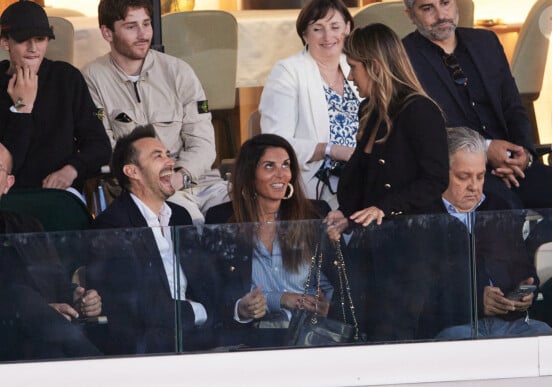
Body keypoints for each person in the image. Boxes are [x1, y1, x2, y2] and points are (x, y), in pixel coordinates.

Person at [402, 0, 552, 209]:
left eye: (445, 3)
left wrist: (524, 155)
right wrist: (485, 149)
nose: (441, 15)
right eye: (427, 8)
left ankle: (534, 242)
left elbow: (513, 107)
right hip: (460, 173)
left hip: (513, 164)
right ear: (410, 15)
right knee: (507, 210)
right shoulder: (403, 56)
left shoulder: (485, 41)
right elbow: (422, 129)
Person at [82, 0, 229, 222]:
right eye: (131, 27)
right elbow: (106, 147)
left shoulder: (178, 71)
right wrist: (158, 179)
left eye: (147, 24)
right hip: (143, 189)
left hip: (198, 181)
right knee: (190, 221)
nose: (143, 34)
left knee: (246, 211)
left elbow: (204, 144)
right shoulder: (92, 78)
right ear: (107, 33)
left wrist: (182, 176)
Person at [88, 125, 218, 355]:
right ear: (132, 171)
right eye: (158, 156)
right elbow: (140, 306)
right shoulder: (113, 226)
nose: (170, 162)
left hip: (198, 336)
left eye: (168, 155)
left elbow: (205, 280)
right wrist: (201, 311)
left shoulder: (180, 215)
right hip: (148, 348)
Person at [205, 134, 336, 347]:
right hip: (251, 341)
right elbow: (216, 293)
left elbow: (337, 281)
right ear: (249, 174)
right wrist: (274, 300)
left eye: (286, 165)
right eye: (269, 166)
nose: (281, 175)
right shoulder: (221, 219)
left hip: (313, 337)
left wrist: (328, 306)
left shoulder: (315, 214)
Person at [434, 126, 552, 339]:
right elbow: (417, 298)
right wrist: (474, 302)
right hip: (456, 327)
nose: (474, 186)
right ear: (442, 171)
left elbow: (524, 269)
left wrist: (526, 291)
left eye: (480, 176)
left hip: (512, 325)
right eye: (464, 176)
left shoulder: (497, 207)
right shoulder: (425, 216)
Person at [336, 23, 449, 226]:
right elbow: (367, 180)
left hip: (415, 238)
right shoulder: (369, 110)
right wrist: (345, 214)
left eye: (353, 67)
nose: (351, 77)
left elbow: (435, 179)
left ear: (375, 67)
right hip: (377, 240)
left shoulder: (419, 110)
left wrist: (385, 208)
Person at [0, 142, 102, 361]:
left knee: (48, 347)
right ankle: (98, 367)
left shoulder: (27, 228)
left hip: (41, 338)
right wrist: (34, 310)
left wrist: (77, 299)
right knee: (19, 295)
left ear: (8, 183)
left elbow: (55, 281)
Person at [259, 0, 362, 209]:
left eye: (335, 27)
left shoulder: (358, 65)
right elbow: (275, 143)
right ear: (305, 35)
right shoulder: (288, 72)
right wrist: (331, 149)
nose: (328, 37)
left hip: (365, 173)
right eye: (317, 29)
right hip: (319, 183)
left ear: (348, 28)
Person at [0, 1, 111, 193]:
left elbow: (99, 145)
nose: (33, 47)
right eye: (22, 39)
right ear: (4, 42)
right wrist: (21, 107)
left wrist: (72, 170)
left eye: (41, 38)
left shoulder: (66, 78)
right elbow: (7, 164)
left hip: (60, 196)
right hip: (8, 198)